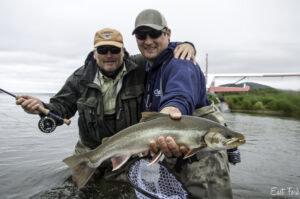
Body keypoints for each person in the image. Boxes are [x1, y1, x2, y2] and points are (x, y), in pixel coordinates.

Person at [16, 28, 196, 180]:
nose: (109, 55)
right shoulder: (80, 78)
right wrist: (41, 108)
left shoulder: (139, 67)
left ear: (123, 51)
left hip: (129, 148)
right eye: (103, 50)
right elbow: (60, 108)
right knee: (81, 190)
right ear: (94, 53)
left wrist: (187, 45)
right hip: (89, 148)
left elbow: (161, 51)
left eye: (114, 50)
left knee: (118, 192)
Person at [132, 9, 232, 199]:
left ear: (167, 33)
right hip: (174, 157)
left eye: (154, 33)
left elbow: (180, 95)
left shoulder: (182, 61)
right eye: (141, 35)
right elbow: (112, 59)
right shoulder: (148, 66)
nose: (148, 40)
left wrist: (171, 113)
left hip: (203, 165)